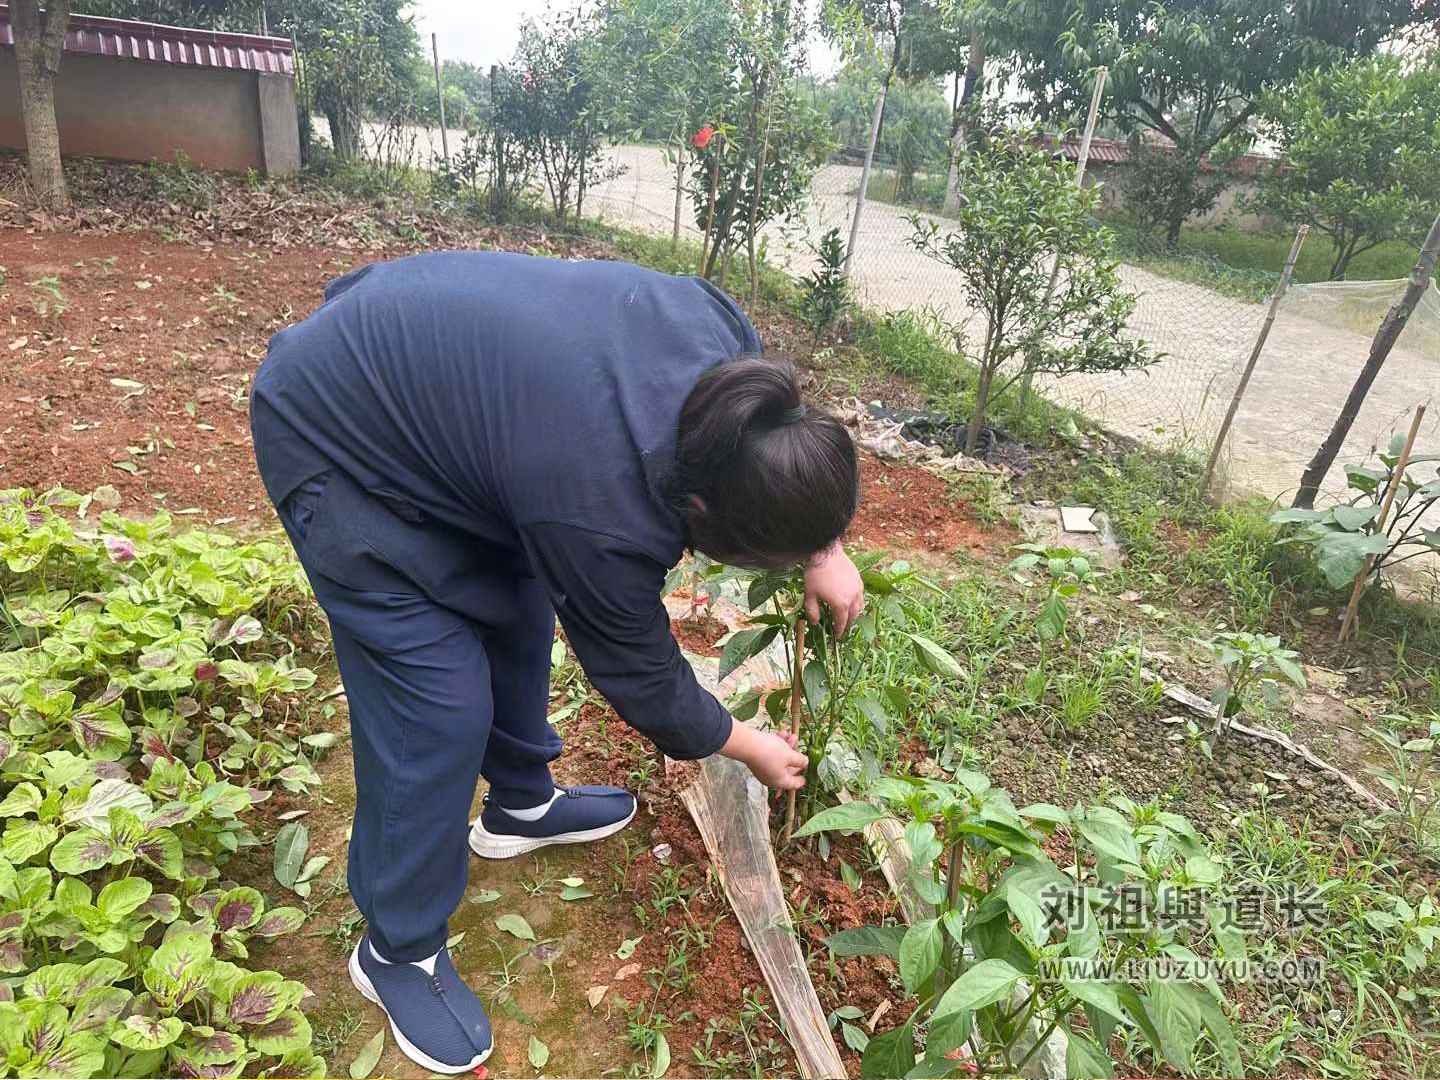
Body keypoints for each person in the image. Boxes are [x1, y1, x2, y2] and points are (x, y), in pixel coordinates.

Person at [249, 250, 863, 1073]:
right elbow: (640, 670)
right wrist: (747, 744)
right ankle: (395, 949)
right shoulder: (599, 508)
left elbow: (779, 462)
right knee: (435, 711)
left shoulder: (737, 368)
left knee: (518, 602)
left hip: (455, 398)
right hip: (339, 428)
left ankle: (519, 806)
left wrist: (821, 545)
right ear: (703, 509)